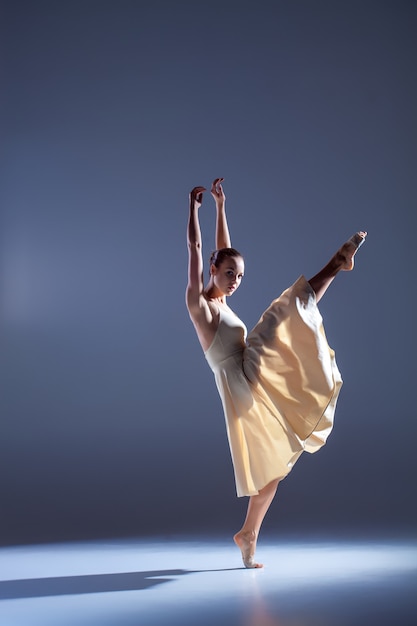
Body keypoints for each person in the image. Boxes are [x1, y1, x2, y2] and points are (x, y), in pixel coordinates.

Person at [186, 178, 366, 568]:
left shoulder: (222, 293)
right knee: (283, 313)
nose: (235, 281)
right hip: (240, 381)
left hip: (249, 365)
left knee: (275, 464)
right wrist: (194, 210)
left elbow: (222, 249)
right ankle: (335, 264)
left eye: (240, 277)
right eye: (229, 273)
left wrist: (220, 206)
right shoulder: (200, 305)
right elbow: (201, 249)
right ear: (212, 270)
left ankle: (248, 534)